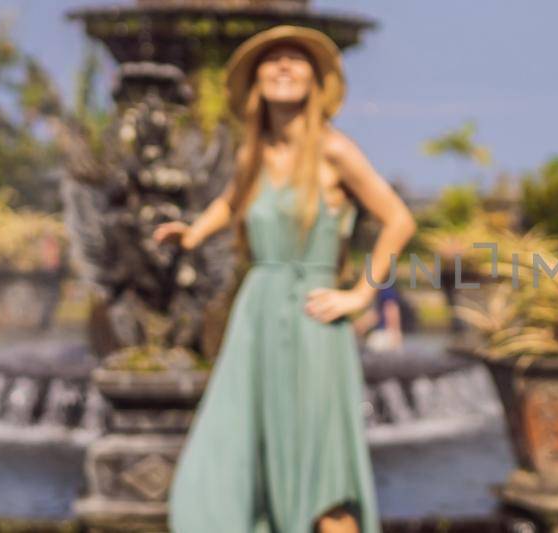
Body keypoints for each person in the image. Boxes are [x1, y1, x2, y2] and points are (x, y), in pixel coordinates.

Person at [156, 26, 415, 533]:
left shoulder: (334, 150)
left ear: (315, 81)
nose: (283, 66)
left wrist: (361, 294)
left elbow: (399, 219)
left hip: (312, 319)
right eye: (271, 60)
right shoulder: (253, 154)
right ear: (256, 83)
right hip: (256, 316)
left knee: (323, 470)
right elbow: (230, 202)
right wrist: (193, 235)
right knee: (228, 451)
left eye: (296, 60)